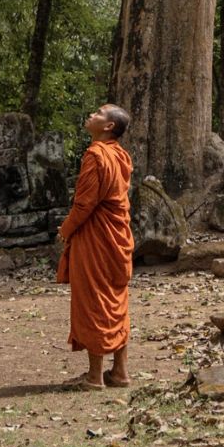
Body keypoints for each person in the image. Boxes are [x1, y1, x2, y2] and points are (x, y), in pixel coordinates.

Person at [56, 102, 134, 388]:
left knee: (94, 300)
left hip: (96, 239)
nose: (92, 114)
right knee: (116, 300)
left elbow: (84, 203)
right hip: (118, 238)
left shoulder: (96, 155)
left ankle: (94, 377)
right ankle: (120, 372)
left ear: (108, 126)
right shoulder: (121, 156)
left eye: (99, 113)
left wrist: (65, 230)